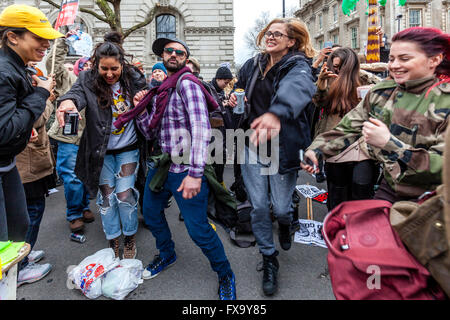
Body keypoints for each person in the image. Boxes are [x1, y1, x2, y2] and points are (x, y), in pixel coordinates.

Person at [128, 37, 236, 300]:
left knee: (198, 229)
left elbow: (201, 129)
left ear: (186, 60)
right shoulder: (161, 91)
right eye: (169, 51)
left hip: (187, 166)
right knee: (151, 214)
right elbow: (147, 131)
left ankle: (225, 274)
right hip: (163, 163)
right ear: (163, 57)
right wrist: (139, 109)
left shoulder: (188, 84)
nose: (174, 54)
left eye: (180, 52)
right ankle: (167, 254)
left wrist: (195, 174)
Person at [302, 27, 450, 205]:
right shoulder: (382, 92)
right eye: (392, 59)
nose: (394, 65)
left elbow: (443, 166)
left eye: (404, 58)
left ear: (434, 60)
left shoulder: (445, 100)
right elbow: (348, 127)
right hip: (390, 188)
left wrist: (389, 144)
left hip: (435, 198)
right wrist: (316, 149)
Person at [229, 17, 317, 296]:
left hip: (283, 148)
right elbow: (239, 90)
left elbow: (298, 88)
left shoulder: (298, 65)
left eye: (278, 34)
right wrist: (233, 98)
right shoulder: (251, 64)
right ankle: (269, 258)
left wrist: (275, 113)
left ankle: (286, 222)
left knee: (280, 207)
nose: (271, 37)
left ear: (291, 41)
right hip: (252, 145)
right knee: (258, 207)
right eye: (268, 32)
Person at [56, 32, 147, 259]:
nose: (109, 74)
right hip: (101, 151)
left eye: (114, 69)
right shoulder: (87, 78)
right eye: (104, 69)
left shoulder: (133, 77)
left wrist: (143, 99)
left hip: (129, 149)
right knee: (107, 197)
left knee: (124, 196)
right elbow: (74, 94)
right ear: (96, 65)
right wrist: (67, 103)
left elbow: (149, 99)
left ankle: (129, 237)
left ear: (122, 65)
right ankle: (113, 238)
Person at [0, 4, 60, 242]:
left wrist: (24, 132)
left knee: (19, 228)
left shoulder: (17, 68)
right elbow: (4, 132)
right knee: (7, 240)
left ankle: (16, 270)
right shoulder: (5, 72)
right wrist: (41, 94)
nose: (46, 45)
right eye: (39, 38)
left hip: (8, 164)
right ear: (13, 37)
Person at [313, 47, 378, 210]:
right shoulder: (328, 80)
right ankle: (336, 231)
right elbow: (319, 104)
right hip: (336, 144)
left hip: (363, 146)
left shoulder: (365, 80)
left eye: (341, 66)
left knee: (361, 193)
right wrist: (321, 86)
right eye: (334, 66)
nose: (337, 70)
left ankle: (358, 232)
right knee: (338, 197)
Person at [47, 32, 94, 233]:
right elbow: (53, 67)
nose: (88, 68)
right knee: (71, 177)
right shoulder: (69, 80)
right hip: (69, 136)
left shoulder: (100, 85)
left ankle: (83, 207)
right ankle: (74, 214)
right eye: (84, 65)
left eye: (91, 64)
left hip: (89, 138)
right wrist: (61, 42)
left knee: (84, 176)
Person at [16, 78, 56, 287]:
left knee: (27, 212)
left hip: (27, 164)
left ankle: (24, 254)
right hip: (25, 165)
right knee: (30, 213)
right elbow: (35, 119)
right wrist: (46, 97)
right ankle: (19, 266)